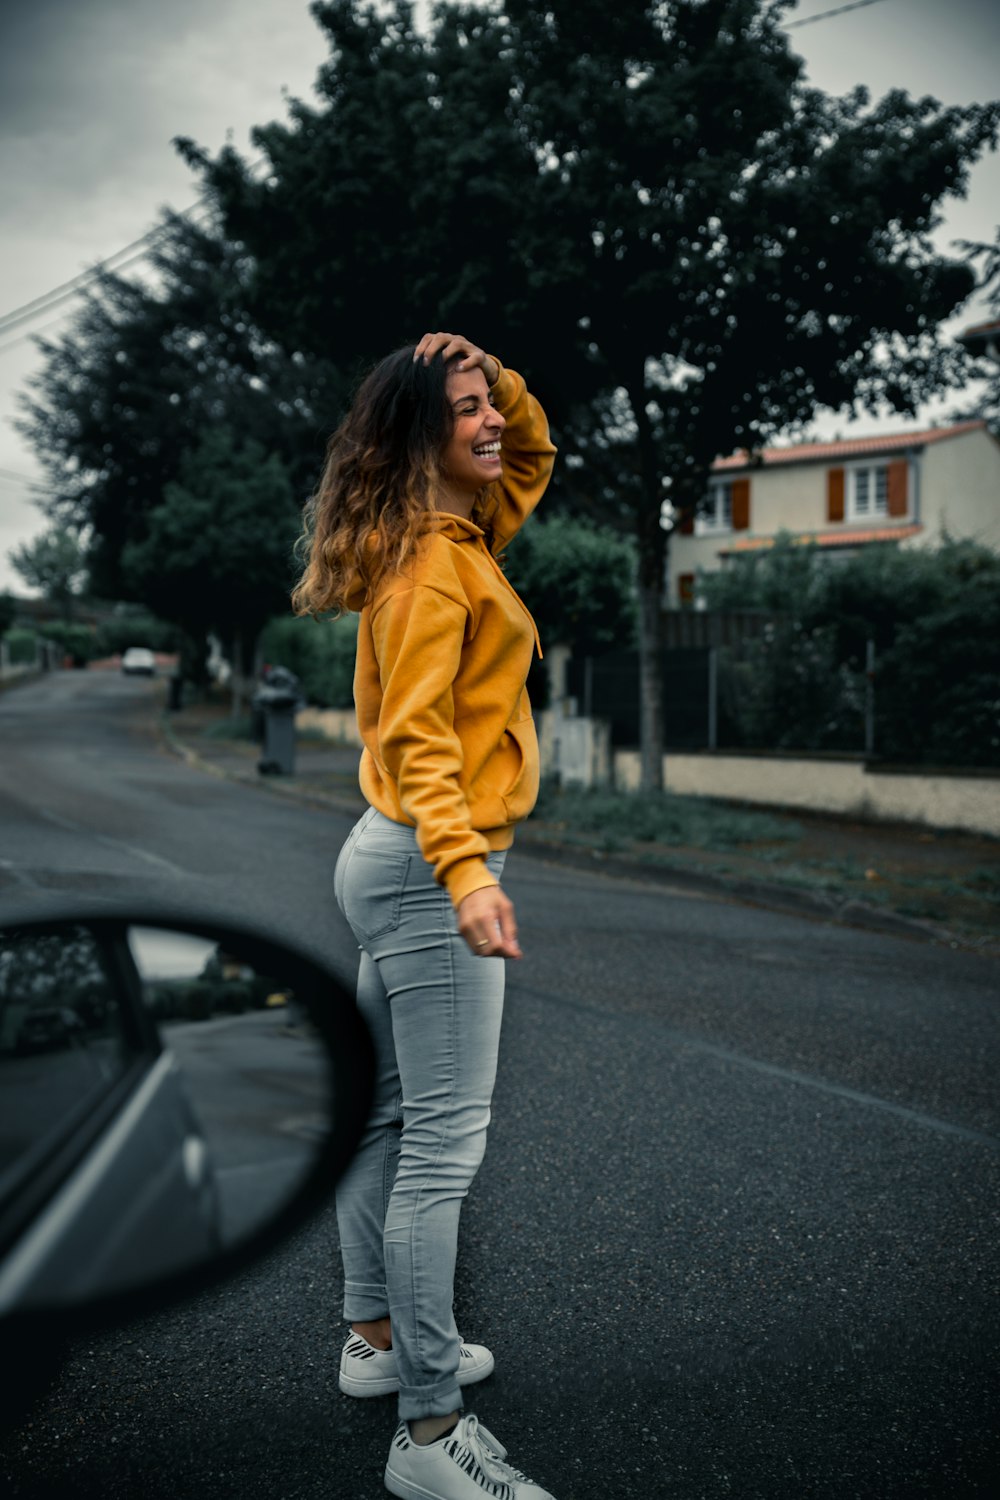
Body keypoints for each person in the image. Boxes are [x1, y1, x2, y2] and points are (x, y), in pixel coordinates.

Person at [292, 331, 558, 1500]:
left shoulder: (457, 535)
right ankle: (430, 1431)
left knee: (387, 1119)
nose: (493, 422)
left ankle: (378, 1343)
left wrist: (491, 370)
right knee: (439, 1152)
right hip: (423, 863)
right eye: (465, 411)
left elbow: (535, 450)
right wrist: (466, 874)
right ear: (420, 442)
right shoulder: (430, 571)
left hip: (392, 857)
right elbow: (415, 742)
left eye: (488, 402)